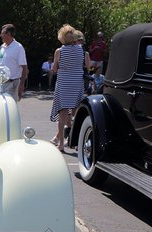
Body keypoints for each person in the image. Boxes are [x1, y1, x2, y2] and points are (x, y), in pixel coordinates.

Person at [50, 24, 85, 152]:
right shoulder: (80, 49)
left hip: (64, 82)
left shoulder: (59, 51)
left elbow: (54, 69)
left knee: (63, 113)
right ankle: (76, 142)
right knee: (76, 113)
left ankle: (61, 144)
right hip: (77, 82)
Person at [0, 24, 28, 102]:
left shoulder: (18, 47)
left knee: (10, 109)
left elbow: (24, 68)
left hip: (13, 84)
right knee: (3, 107)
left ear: (8, 34)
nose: (0, 35)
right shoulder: (2, 47)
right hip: (2, 83)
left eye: (2, 33)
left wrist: (22, 85)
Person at [74, 30, 92, 95]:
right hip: (81, 75)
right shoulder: (85, 54)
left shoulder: (85, 54)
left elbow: (88, 68)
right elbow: (88, 68)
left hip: (76, 75)